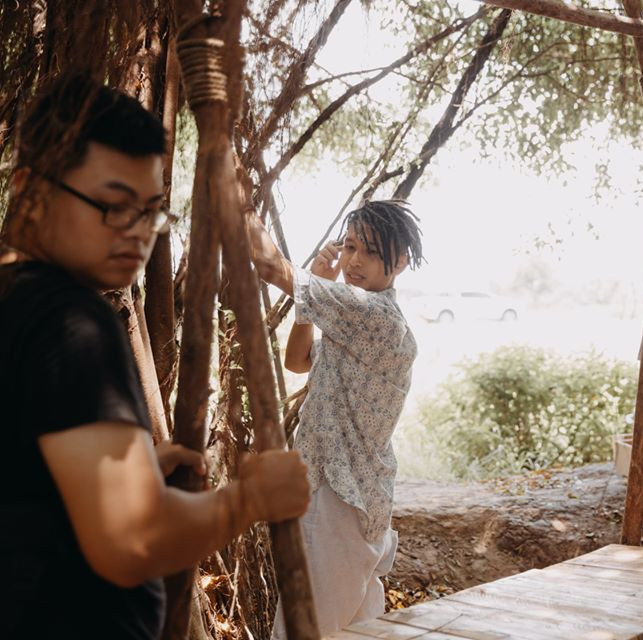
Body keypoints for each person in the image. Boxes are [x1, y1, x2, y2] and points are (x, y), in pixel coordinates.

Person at [0, 74, 311, 639]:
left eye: (152, 211)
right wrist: (247, 501)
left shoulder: (15, 298)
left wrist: (131, 466)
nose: (140, 233)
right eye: (115, 207)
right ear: (30, 189)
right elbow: (132, 541)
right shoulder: (74, 321)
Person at [245, 200, 423, 637]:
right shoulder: (356, 321)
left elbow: (269, 265)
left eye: (371, 252)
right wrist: (316, 291)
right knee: (354, 633)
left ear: (400, 262)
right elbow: (297, 359)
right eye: (350, 246)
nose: (354, 261)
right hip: (355, 500)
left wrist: (237, 195)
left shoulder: (372, 315)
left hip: (338, 502)